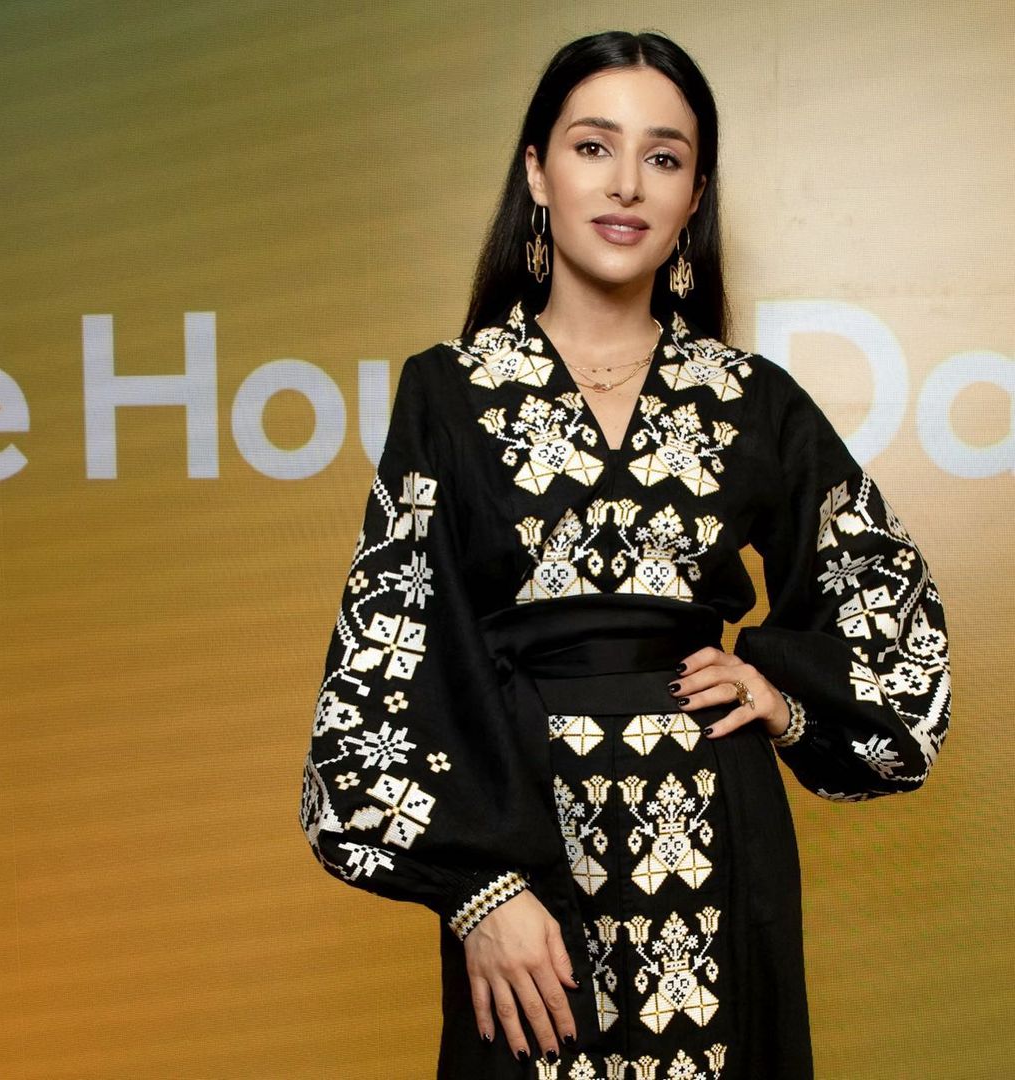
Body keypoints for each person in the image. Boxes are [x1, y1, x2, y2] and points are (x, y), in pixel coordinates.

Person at [300, 30, 950, 1080]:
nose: (627, 184)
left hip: (714, 836)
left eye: (665, 157)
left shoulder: (749, 398)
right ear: (537, 172)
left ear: (695, 197)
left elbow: (886, 606)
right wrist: (478, 891)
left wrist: (782, 694)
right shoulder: (448, 392)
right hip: (522, 838)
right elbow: (389, 659)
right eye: (594, 146)